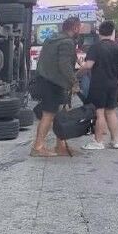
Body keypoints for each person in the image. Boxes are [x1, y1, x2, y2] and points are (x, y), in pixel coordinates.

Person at [31, 17, 82, 157]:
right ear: (75, 28)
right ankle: (38, 147)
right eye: (80, 27)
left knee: (60, 114)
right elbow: (64, 65)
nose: (81, 30)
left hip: (46, 80)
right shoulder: (67, 42)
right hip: (54, 83)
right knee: (48, 115)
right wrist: (74, 82)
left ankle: (61, 146)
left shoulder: (52, 39)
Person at [80, 21, 118, 150]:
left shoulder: (95, 47)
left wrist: (78, 73)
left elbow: (88, 65)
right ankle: (115, 141)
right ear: (112, 32)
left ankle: (98, 141)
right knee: (111, 112)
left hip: (99, 83)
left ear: (99, 31)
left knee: (99, 112)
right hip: (114, 83)